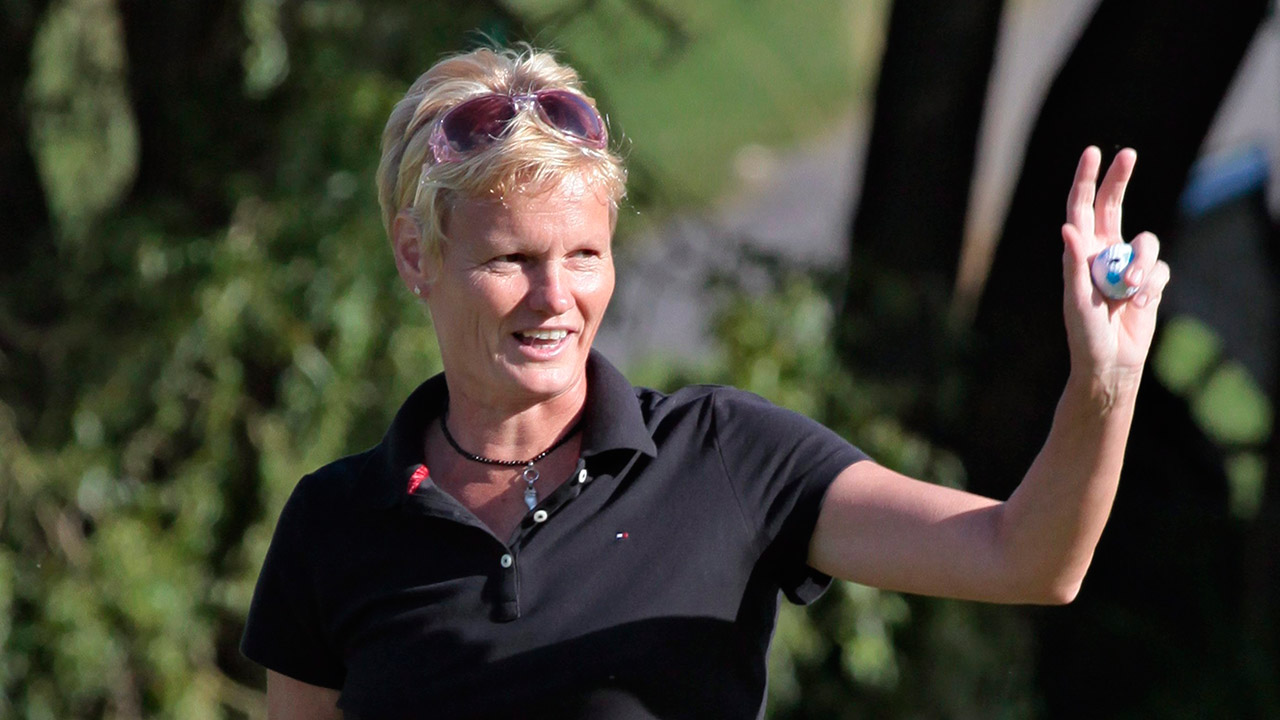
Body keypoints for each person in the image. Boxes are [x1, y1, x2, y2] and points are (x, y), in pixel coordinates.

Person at [240, 45, 1171, 719]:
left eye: (585, 254)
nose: (555, 296)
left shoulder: (725, 456)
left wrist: (1103, 382)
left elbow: (1029, 558)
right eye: (512, 259)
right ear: (418, 257)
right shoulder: (335, 524)